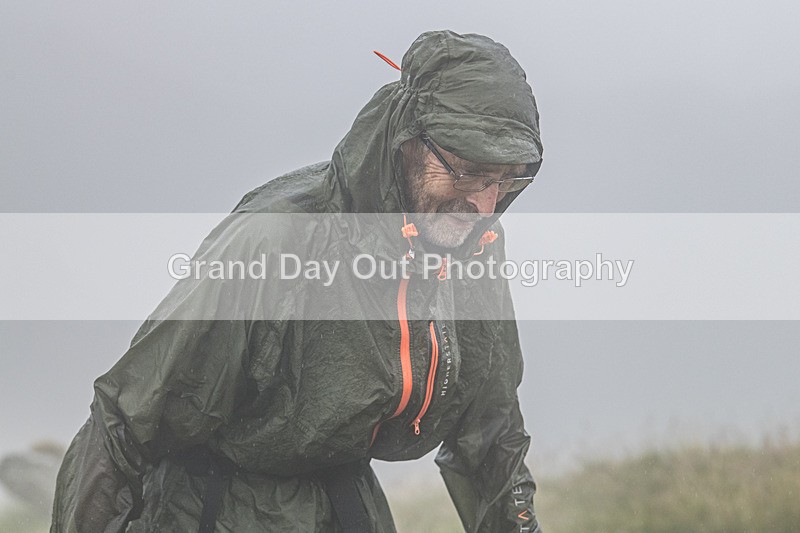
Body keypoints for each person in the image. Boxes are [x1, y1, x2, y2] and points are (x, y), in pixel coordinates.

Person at [51, 30, 544, 532]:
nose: (485, 204)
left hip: (344, 501)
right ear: (407, 142)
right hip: (211, 506)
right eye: (468, 174)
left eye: (507, 180)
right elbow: (123, 422)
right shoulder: (274, 241)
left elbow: (491, 432)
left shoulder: (472, 244)